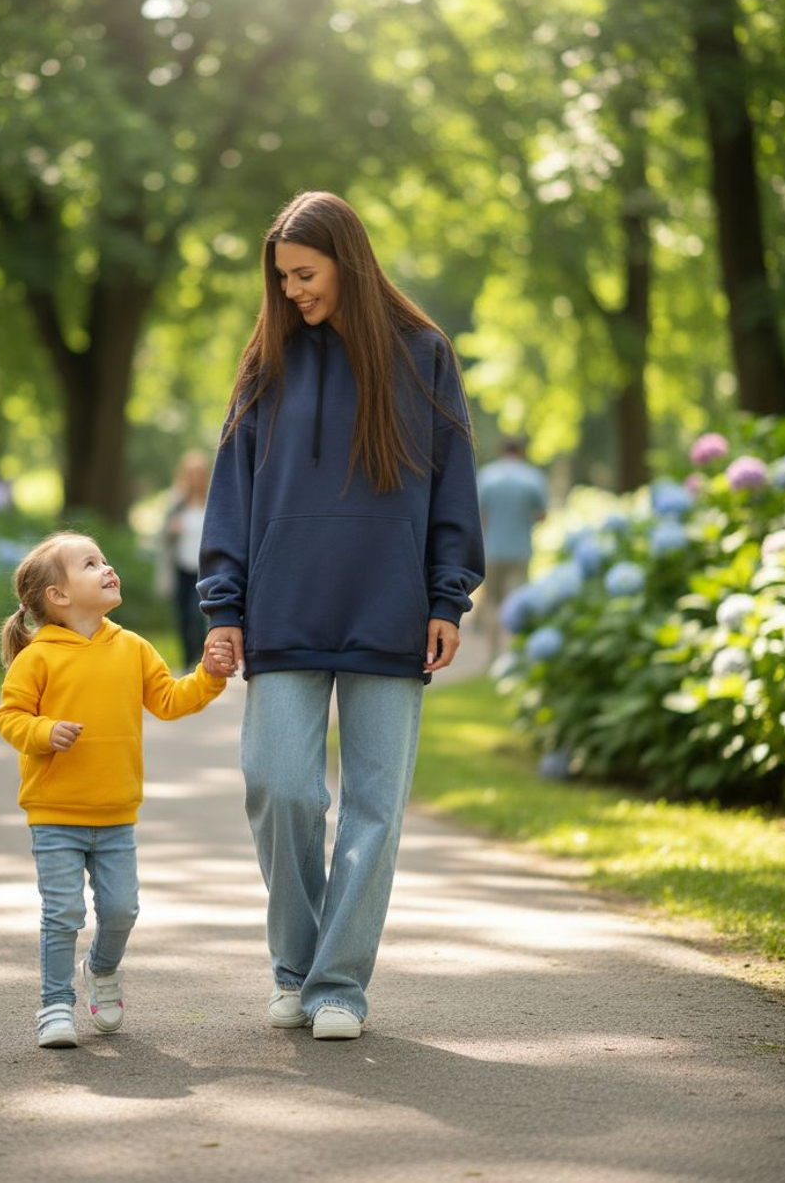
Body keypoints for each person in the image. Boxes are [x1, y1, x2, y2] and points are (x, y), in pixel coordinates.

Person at [198, 191, 484, 1041]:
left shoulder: (425, 355)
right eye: (281, 278)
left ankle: (338, 987)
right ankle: (296, 966)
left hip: (391, 611)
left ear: (347, 264)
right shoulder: (265, 365)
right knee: (280, 785)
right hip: (282, 609)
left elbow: (453, 487)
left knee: (373, 807)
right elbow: (232, 494)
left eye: (304, 274)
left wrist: (446, 596)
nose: (290, 292)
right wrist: (223, 605)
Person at [0, 530, 233, 1050]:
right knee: (62, 914)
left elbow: (170, 700)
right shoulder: (38, 656)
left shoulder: (132, 648)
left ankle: (101, 968)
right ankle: (55, 1005)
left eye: (104, 559)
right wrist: (43, 732)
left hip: (116, 812)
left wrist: (210, 676)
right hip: (54, 812)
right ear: (58, 596)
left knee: (122, 910)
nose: (107, 568)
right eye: (89, 564)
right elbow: (10, 717)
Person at [476, 436, 548, 661]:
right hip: (520, 551)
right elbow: (542, 515)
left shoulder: (487, 476)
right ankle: (515, 654)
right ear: (522, 452)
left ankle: (492, 655)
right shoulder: (532, 477)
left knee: (492, 603)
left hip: (492, 550)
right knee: (517, 603)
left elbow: (479, 515)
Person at [159, 450, 212, 669]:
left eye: (198, 473)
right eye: (190, 473)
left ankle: (199, 658)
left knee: (196, 614)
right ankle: (187, 660)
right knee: (182, 617)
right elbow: (161, 534)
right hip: (181, 568)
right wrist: (171, 530)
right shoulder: (176, 502)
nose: (194, 478)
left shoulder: (212, 501)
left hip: (205, 569)